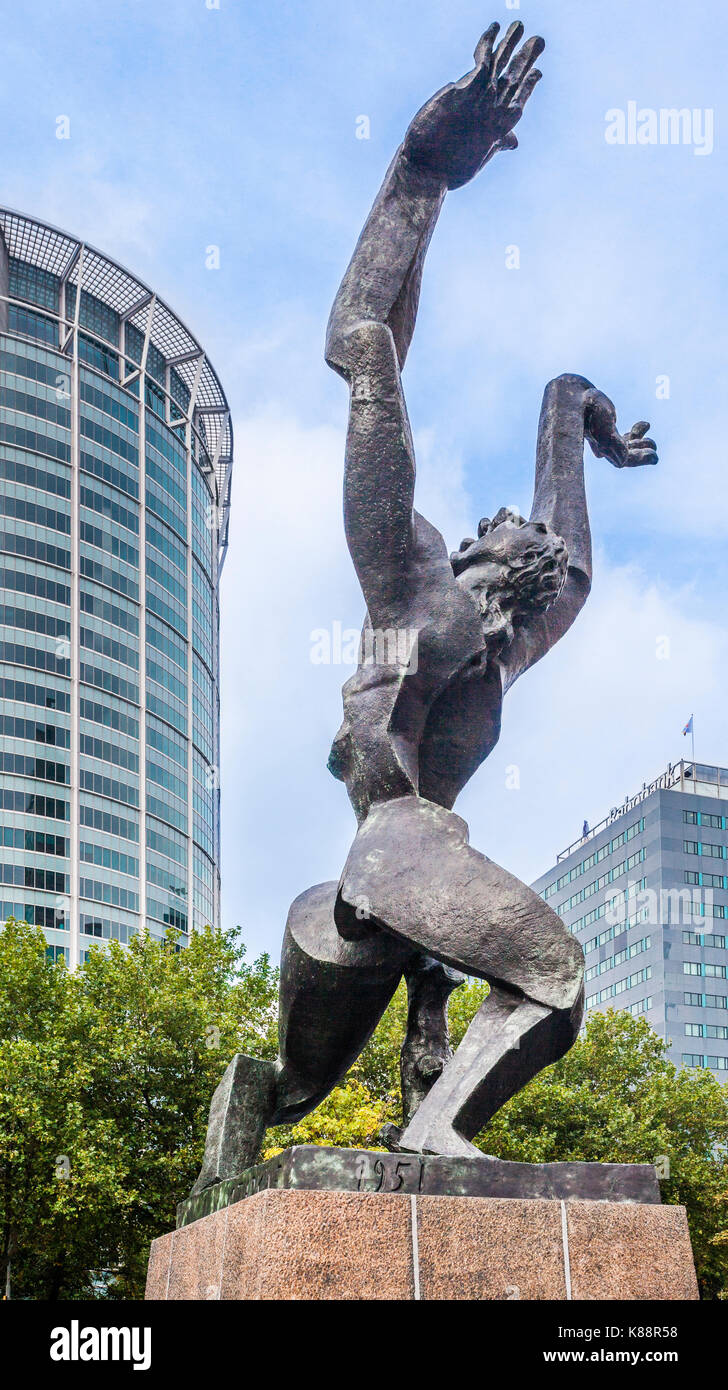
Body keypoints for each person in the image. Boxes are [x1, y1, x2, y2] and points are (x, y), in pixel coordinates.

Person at [193, 22, 657, 1190]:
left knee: (297, 1088)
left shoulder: (501, 649)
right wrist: (416, 176)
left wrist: (578, 413)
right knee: (552, 976)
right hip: (390, 856)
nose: (528, 527)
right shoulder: (412, 584)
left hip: (404, 880)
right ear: (477, 550)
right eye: (511, 523)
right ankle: (432, 1135)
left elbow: (573, 557)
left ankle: (251, 1142)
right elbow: (362, 350)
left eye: (530, 530)